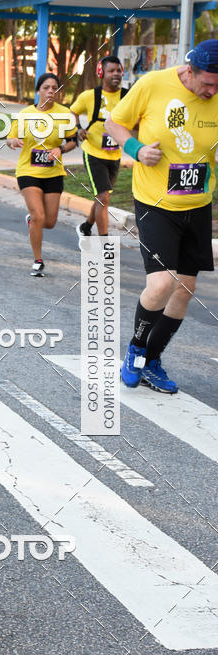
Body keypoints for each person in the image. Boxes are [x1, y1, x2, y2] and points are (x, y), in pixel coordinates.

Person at [105, 39, 218, 394]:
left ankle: (151, 360)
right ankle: (136, 350)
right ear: (190, 71)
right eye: (208, 84)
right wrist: (136, 149)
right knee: (161, 284)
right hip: (155, 202)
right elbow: (113, 123)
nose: (212, 91)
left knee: (185, 289)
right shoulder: (153, 84)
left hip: (197, 204)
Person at [6, 72, 78, 276]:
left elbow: (73, 141)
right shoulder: (25, 114)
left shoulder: (64, 113)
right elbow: (10, 138)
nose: (50, 91)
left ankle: (33, 222)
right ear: (38, 91)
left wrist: (60, 149)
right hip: (28, 171)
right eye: (46, 87)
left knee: (50, 222)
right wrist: (13, 141)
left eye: (54, 88)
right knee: (39, 215)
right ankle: (37, 261)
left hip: (53, 172)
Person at [70, 55, 128, 244]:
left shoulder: (127, 96)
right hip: (93, 152)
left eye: (119, 70)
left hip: (115, 154)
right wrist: (78, 129)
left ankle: (85, 227)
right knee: (103, 196)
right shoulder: (89, 96)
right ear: (101, 73)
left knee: (103, 197)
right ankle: (104, 244)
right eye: (111, 71)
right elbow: (72, 111)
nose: (116, 74)